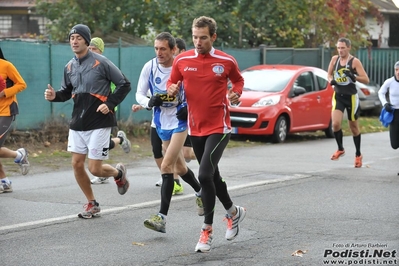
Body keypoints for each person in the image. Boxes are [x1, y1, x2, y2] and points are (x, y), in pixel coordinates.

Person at [167, 16, 247, 253]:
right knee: (213, 176)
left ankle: (207, 230)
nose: (198, 41)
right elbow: (173, 83)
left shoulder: (226, 61)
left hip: (219, 127)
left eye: (203, 37)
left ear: (213, 37)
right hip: (196, 128)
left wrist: (236, 93)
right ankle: (233, 212)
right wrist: (171, 89)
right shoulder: (182, 60)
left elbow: (239, 82)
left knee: (203, 175)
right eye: (194, 37)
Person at [43, 24, 131, 218]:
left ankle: (118, 174)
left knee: (95, 169)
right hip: (78, 121)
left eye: (78, 37)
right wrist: (53, 96)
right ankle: (92, 203)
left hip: (99, 120)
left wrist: (110, 103)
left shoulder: (102, 62)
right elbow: (66, 92)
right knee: (76, 164)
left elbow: (124, 84)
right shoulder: (69, 66)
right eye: (71, 38)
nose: (74, 41)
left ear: (86, 40)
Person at [136, 32, 203, 233]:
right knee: (180, 168)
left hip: (180, 123)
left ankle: (161, 218)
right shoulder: (150, 67)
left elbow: (199, 92)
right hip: (160, 122)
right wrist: (149, 102)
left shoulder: (182, 66)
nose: (159, 53)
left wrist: (189, 107)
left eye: (163, 49)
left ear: (173, 50)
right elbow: (139, 93)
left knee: (166, 166)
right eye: (156, 49)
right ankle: (201, 192)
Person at [88, 37, 131, 185]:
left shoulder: (105, 64)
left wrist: (110, 102)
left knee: (99, 144)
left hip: (108, 107)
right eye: (90, 48)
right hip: (93, 110)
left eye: (94, 49)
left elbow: (122, 84)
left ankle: (101, 171)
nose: (91, 51)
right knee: (98, 143)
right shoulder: (86, 64)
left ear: (101, 50)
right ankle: (120, 140)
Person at [327, 37, 369, 168]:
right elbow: (328, 74)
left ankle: (358, 154)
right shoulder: (335, 59)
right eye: (338, 48)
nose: (340, 50)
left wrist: (354, 77)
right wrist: (331, 81)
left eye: (343, 48)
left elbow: (366, 80)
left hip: (351, 97)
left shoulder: (354, 62)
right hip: (338, 95)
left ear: (349, 48)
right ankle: (340, 148)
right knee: (335, 123)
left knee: (354, 128)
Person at [0, 47, 30, 194]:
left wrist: (4, 93)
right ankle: (5, 181)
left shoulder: (6, 65)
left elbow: (22, 84)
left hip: (6, 111)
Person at [378, 61, 399, 165]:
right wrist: (385, 103)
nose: (398, 72)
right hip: (394, 113)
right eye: (396, 70)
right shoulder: (389, 82)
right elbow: (380, 92)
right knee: (394, 144)